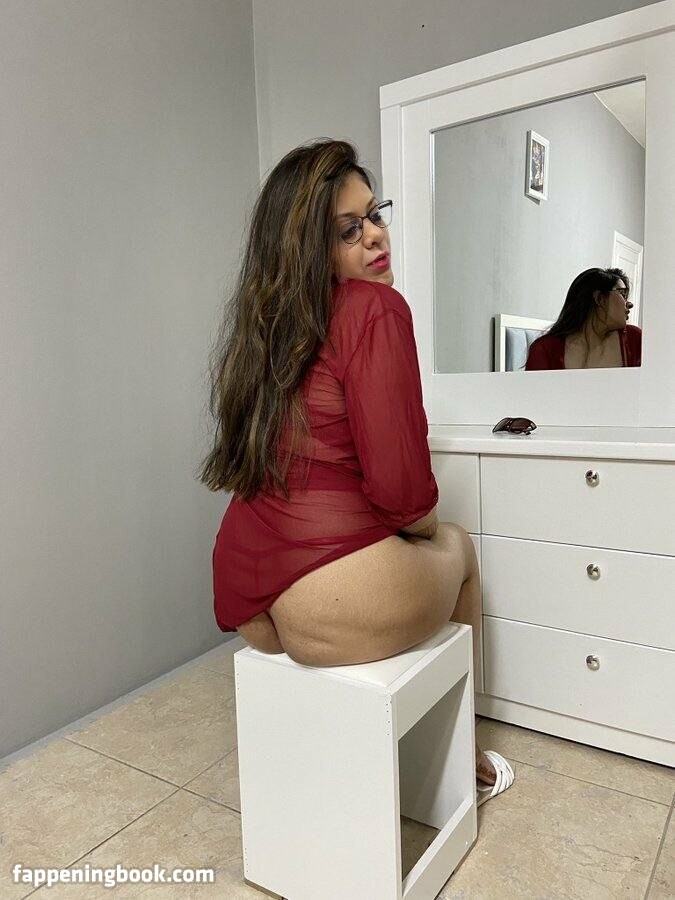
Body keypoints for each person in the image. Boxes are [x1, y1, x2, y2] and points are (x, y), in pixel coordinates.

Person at [199, 138, 503, 788]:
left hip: (250, 591)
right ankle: (464, 753)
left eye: (374, 214)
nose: (374, 235)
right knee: (459, 546)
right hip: (329, 598)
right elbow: (402, 494)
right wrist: (424, 532)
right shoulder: (374, 307)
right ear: (309, 249)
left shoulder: (265, 331)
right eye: (348, 230)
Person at [525, 267, 641, 370]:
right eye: (622, 294)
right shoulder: (544, 349)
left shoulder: (635, 340)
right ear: (599, 298)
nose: (629, 304)